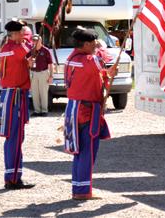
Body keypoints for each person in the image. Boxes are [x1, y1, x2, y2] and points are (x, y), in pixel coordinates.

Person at [63, 28, 116, 200]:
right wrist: (110, 72)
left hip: (73, 108)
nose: (95, 46)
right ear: (85, 44)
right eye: (93, 43)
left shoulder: (70, 59)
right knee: (88, 151)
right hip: (86, 110)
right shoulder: (91, 60)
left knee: (79, 151)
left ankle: (79, 187)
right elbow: (105, 64)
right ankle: (83, 192)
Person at [0, 19, 35, 190]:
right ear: (13, 34)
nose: (23, 36)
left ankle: (14, 175)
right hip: (14, 95)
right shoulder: (12, 48)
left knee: (17, 137)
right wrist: (33, 40)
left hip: (15, 94)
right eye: (21, 33)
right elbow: (29, 47)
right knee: (14, 137)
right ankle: (12, 178)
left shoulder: (10, 48)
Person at [29, 34, 54, 116]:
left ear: (41, 41)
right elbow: (26, 61)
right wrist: (30, 62)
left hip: (43, 73)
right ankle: (37, 111)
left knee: (43, 92)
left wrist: (51, 76)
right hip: (33, 73)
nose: (35, 42)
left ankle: (44, 110)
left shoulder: (45, 50)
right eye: (34, 40)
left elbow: (50, 64)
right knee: (34, 92)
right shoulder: (31, 50)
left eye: (37, 40)